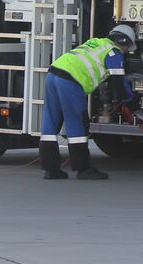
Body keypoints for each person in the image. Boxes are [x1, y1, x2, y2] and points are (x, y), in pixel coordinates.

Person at [39, 24, 137, 180]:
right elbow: (118, 83)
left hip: (53, 74)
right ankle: (83, 169)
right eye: (129, 47)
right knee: (77, 123)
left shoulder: (96, 42)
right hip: (71, 81)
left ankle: (50, 169)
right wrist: (132, 101)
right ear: (125, 42)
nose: (127, 51)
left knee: (51, 122)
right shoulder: (113, 52)